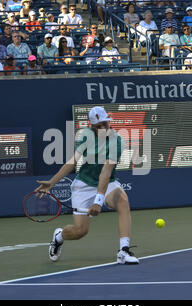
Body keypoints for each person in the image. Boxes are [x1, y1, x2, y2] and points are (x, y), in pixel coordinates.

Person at [37, 106, 139, 265]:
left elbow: (106, 172)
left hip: (108, 182)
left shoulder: (117, 140)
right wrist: (52, 182)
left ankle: (123, 251)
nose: (103, 128)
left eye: (105, 124)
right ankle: (58, 237)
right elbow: (72, 162)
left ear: (108, 121)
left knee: (122, 201)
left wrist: (98, 201)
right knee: (80, 231)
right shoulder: (86, 137)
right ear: (91, 127)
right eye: (98, 126)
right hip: (83, 185)